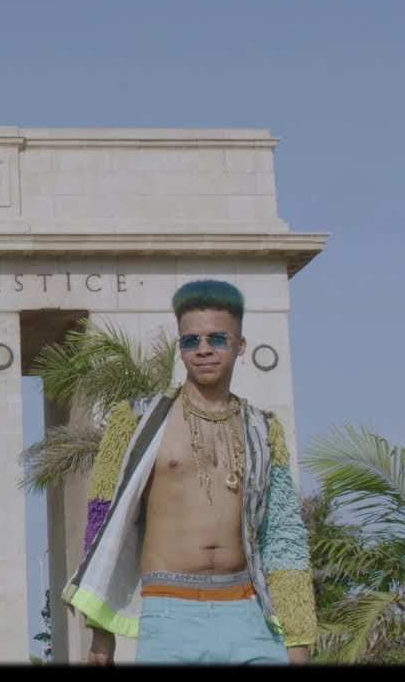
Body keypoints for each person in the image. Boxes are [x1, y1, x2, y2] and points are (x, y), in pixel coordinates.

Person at [62, 279, 316, 665]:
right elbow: (103, 518)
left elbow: (283, 533)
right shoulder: (135, 421)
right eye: (191, 340)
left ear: (240, 345)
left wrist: (298, 638)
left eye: (217, 338)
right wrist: (100, 629)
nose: (204, 349)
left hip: (250, 614)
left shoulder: (264, 429)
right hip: (169, 614)